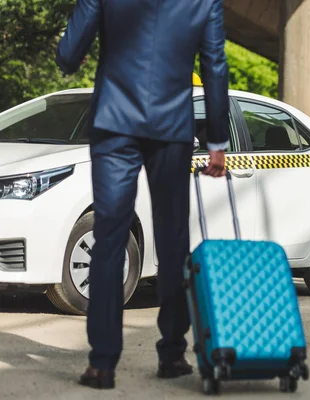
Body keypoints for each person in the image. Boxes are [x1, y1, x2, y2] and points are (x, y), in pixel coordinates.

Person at [55, 0, 230, 390]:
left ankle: (102, 363)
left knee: (110, 236)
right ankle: (172, 353)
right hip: (171, 127)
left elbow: (69, 52)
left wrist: (70, 62)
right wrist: (217, 139)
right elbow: (214, 65)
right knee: (172, 240)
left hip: (114, 122)